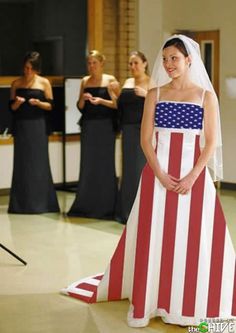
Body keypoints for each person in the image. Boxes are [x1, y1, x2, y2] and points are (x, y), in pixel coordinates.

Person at [62, 35, 236, 327]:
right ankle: (153, 297)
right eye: (165, 59)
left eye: (175, 59)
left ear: (189, 60)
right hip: (158, 177)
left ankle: (189, 297)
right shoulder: (155, 94)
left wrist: (192, 176)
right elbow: (145, 140)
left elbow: (211, 142)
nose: (168, 64)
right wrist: (161, 175)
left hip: (193, 179)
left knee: (192, 237)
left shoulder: (206, 96)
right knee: (158, 235)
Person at [67, 50, 119, 219]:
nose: (91, 66)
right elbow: (81, 106)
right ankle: (86, 202)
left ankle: (106, 204)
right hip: (89, 126)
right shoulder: (84, 81)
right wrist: (83, 98)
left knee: (105, 163)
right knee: (88, 163)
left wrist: (101, 101)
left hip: (105, 127)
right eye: (89, 63)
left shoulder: (110, 80)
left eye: (94, 63)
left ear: (101, 63)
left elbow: (117, 105)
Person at [8, 51, 60, 214]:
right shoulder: (16, 83)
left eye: (31, 68)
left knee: (39, 163)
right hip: (22, 126)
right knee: (22, 164)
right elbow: (12, 109)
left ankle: (42, 203)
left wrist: (39, 103)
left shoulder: (44, 83)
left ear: (36, 69)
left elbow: (50, 106)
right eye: (26, 68)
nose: (28, 71)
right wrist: (17, 102)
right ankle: (21, 203)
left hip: (38, 126)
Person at [115, 51, 149, 224]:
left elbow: (160, 105)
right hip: (127, 130)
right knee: (127, 169)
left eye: (136, 63)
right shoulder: (127, 82)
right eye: (130, 63)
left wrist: (146, 95)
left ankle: (141, 211)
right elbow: (119, 106)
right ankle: (125, 209)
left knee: (139, 169)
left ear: (145, 63)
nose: (133, 66)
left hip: (142, 130)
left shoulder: (152, 82)